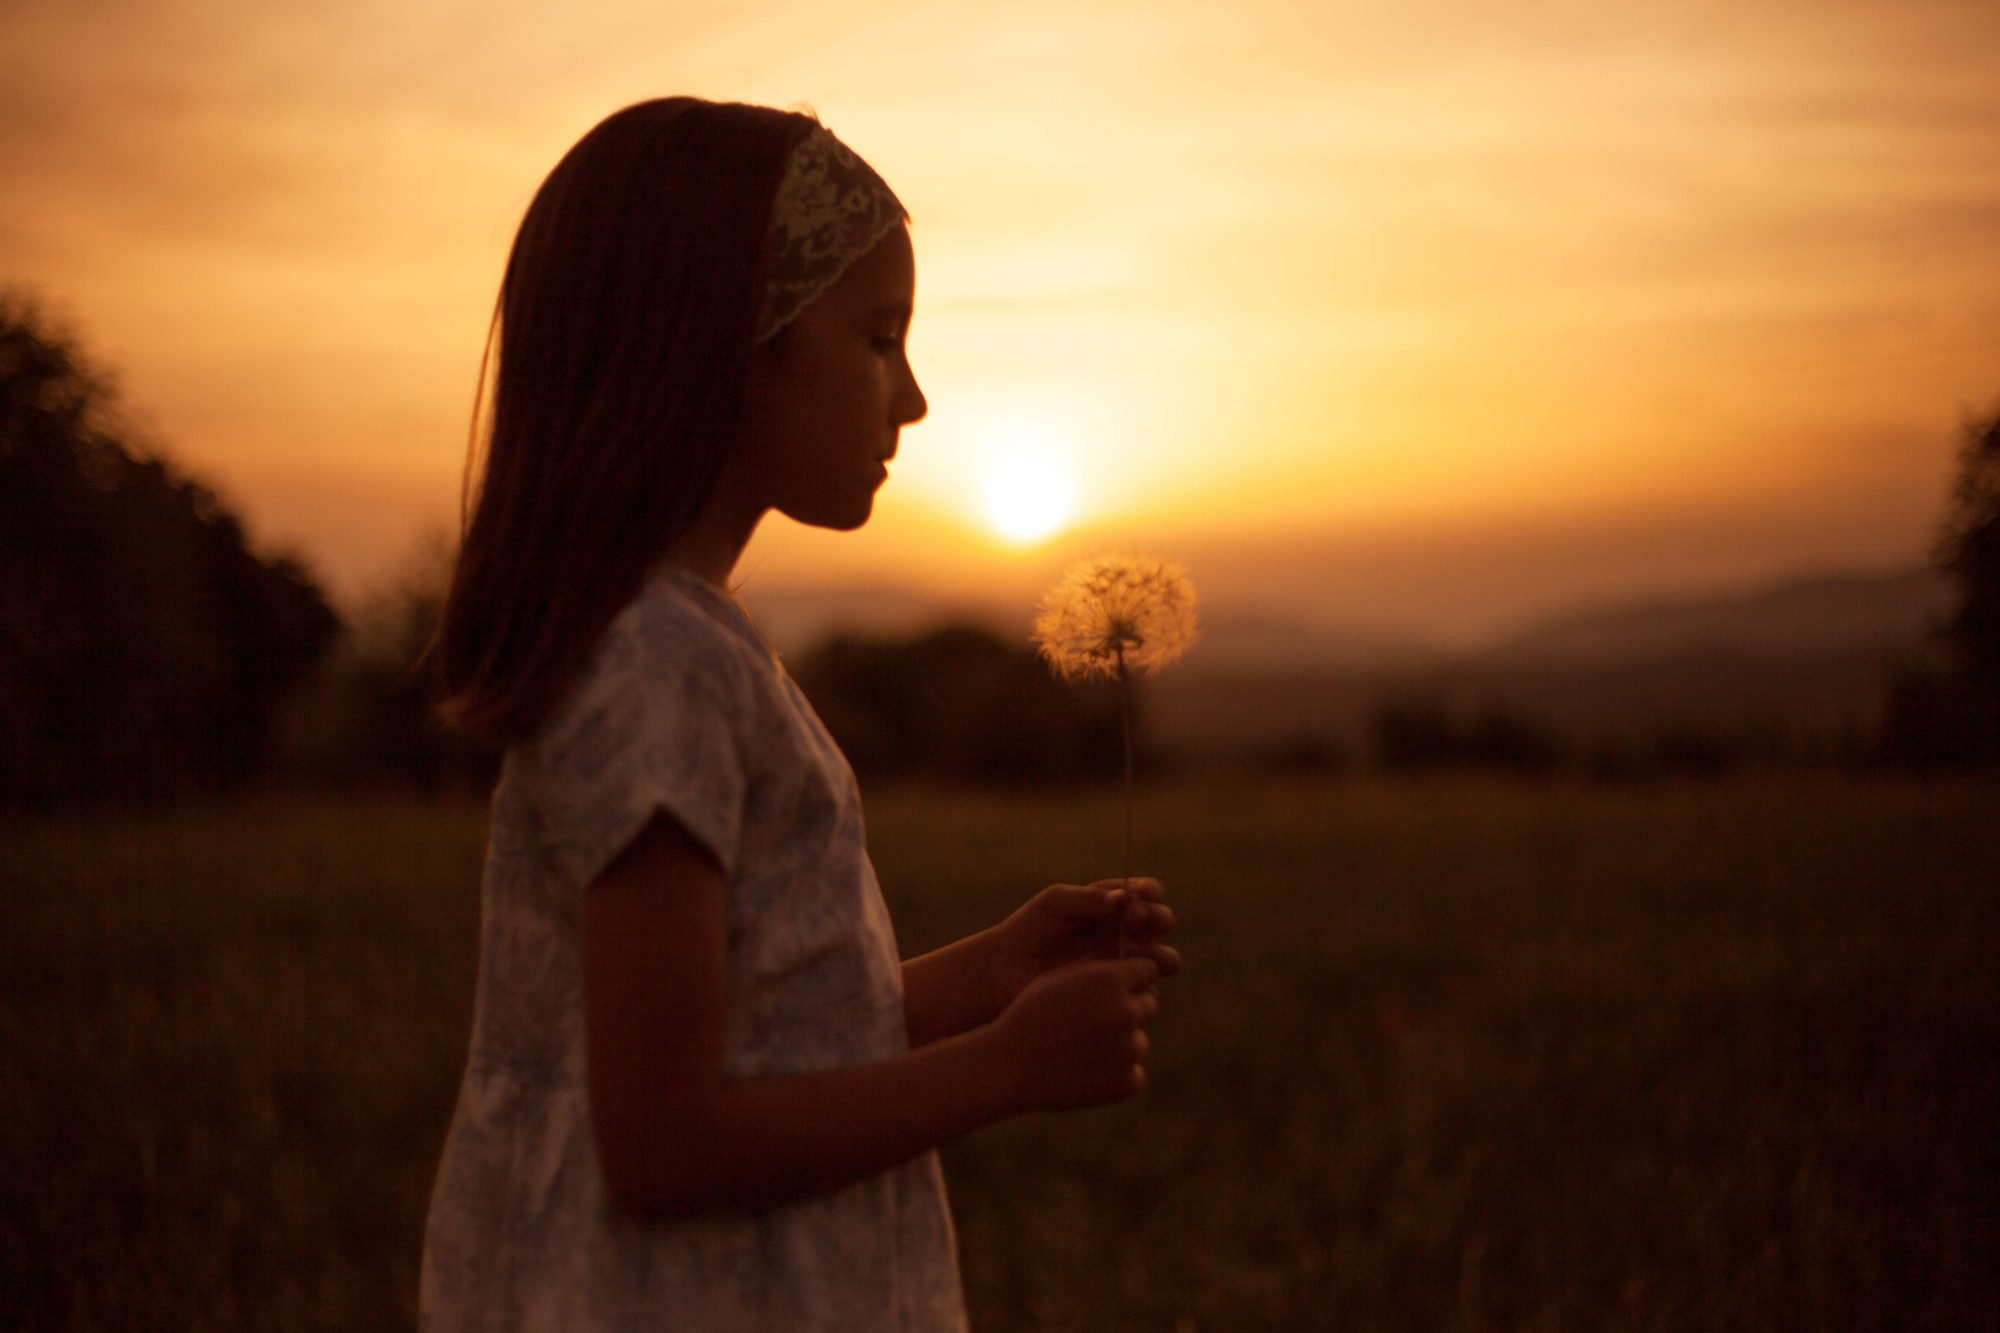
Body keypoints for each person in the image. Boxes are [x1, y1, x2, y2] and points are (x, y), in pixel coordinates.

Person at [418, 97, 1182, 1332]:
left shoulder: (681, 653)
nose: (915, 397)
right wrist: (1005, 1068)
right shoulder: (659, 673)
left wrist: (992, 972)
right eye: (879, 339)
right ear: (730, 342)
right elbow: (665, 1143)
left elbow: (767, 1032)